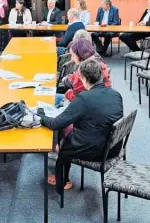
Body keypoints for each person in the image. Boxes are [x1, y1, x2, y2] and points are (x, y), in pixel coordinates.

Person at [41, 59, 123, 194]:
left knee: (63, 143)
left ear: (84, 78)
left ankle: (63, 181)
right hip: (114, 147)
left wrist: (41, 117)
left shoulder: (84, 98)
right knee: (70, 137)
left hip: (96, 151)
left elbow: (56, 123)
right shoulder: (116, 94)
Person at [56, 39, 111, 107]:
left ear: (80, 55)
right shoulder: (97, 61)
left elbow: (76, 96)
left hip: (85, 104)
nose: (72, 59)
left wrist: (67, 93)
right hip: (100, 100)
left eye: (73, 55)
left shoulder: (85, 72)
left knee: (53, 98)